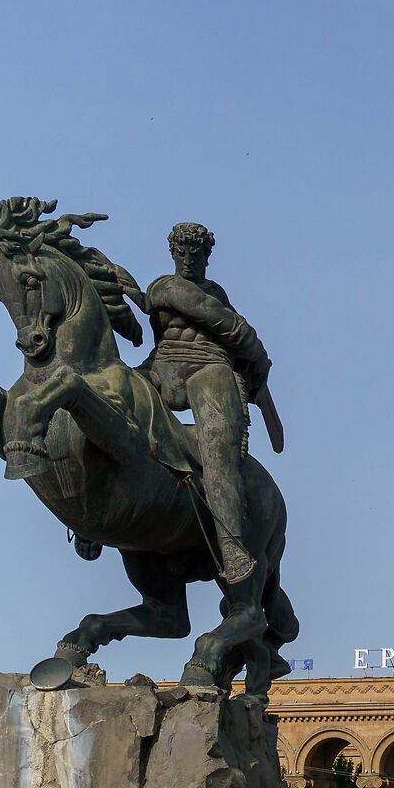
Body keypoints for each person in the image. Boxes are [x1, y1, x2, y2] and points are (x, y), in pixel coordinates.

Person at [140, 222, 274, 587]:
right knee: (112, 398)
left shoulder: (216, 293)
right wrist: (259, 359)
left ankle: (231, 545)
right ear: (172, 254)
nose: (187, 260)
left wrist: (254, 368)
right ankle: (93, 516)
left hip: (208, 367)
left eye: (194, 254)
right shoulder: (162, 286)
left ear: (206, 257)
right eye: (180, 253)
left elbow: (231, 330)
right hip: (163, 365)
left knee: (218, 449)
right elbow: (228, 325)